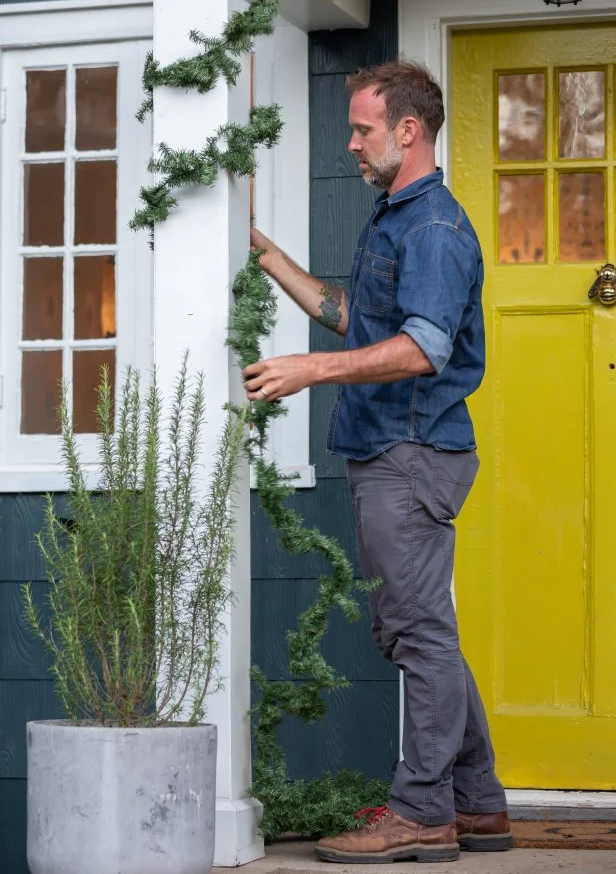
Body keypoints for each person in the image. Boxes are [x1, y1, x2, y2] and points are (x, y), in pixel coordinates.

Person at [243, 59, 512, 865]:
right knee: (427, 632)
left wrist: (305, 371)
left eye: (362, 130)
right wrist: (266, 254)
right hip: (395, 449)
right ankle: (480, 804)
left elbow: (423, 348)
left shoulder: (430, 228)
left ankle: (423, 813)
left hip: (412, 450)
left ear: (408, 130)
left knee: (419, 635)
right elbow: (359, 319)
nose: (350, 144)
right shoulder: (396, 216)